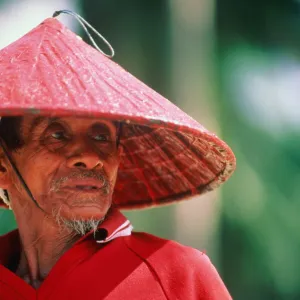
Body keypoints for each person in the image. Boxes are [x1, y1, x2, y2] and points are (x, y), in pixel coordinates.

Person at [0, 10, 236, 300]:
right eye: (57, 135)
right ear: (3, 167)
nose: (89, 157)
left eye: (102, 137)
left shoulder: (179, 276)